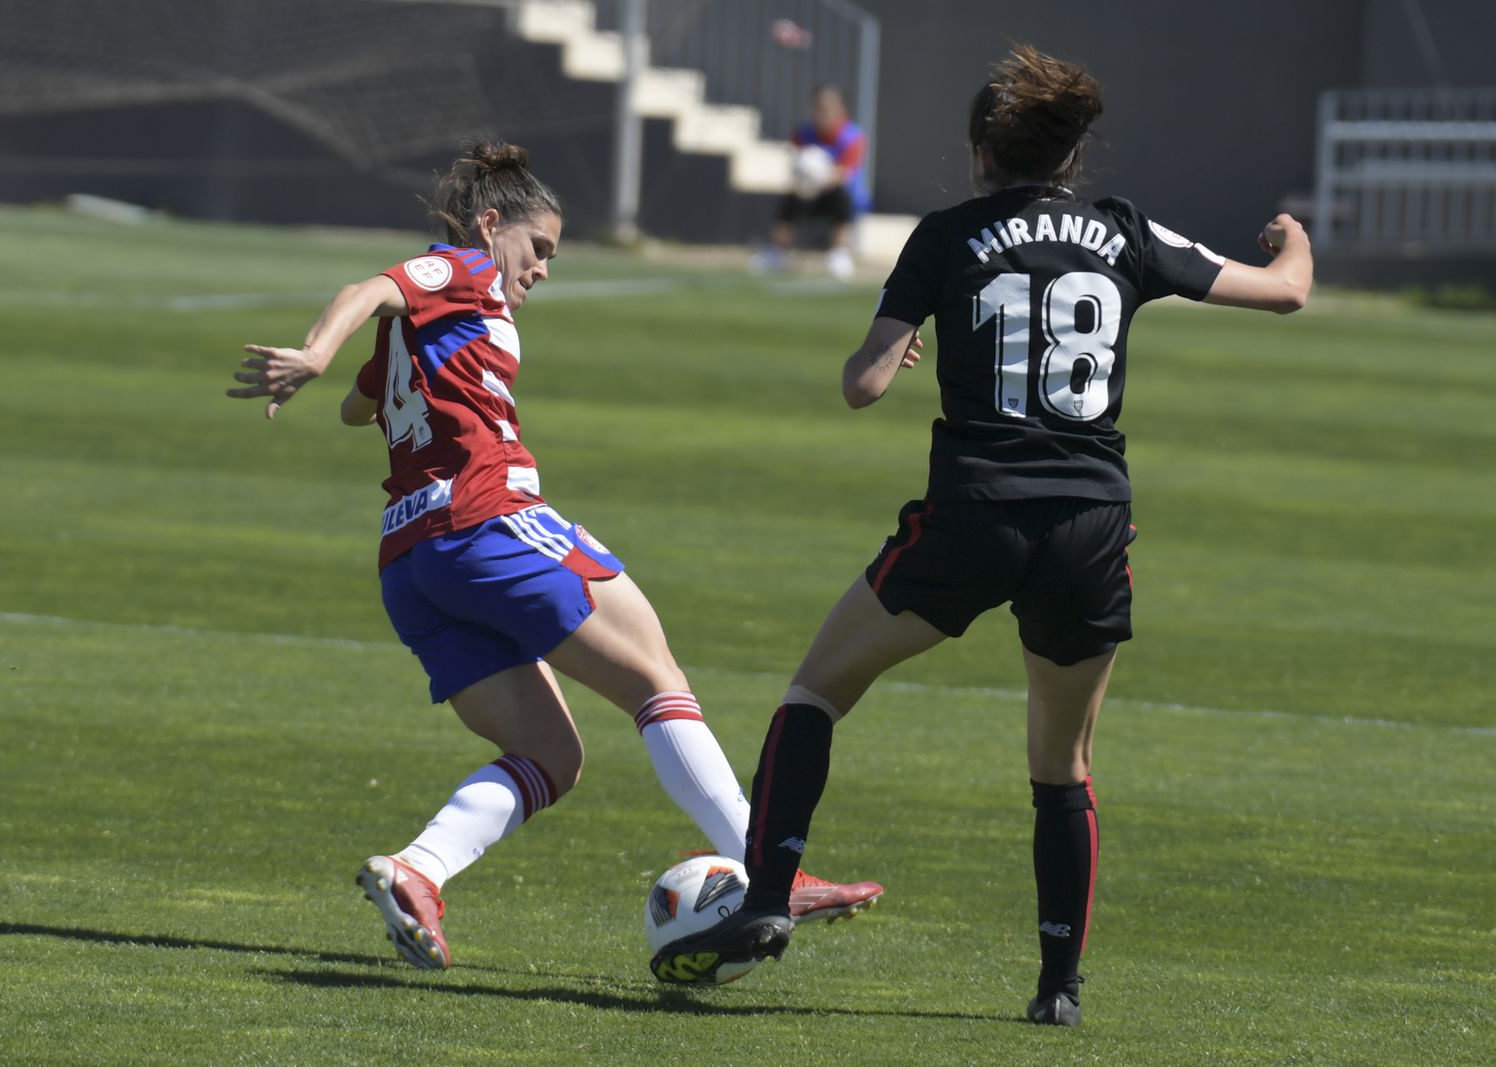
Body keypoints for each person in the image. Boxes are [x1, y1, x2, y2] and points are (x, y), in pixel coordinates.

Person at [651, 45, 1312, 1025]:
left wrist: (899, 344)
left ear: (978, 150)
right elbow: (1284, 289)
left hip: (971, 515)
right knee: (1061, 764)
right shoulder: (1119, 228)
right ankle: (1057, 989)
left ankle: (764, 898)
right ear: (1072, 151)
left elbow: (862, 384)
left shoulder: (944, 235)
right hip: (1087, 523)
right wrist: (1293, 236)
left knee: (815, 691)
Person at [226, 138, 882, 971]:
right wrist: (316, 354)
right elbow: (373, 286)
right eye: (538, 249)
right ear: (492, 224)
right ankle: (769, 873)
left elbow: (365, 410)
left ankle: (418, 871)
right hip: (487, 520)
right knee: (656, 676)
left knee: (551, 755)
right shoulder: (461, 270)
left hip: (411, 561)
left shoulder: (432, 327)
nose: (541, 269)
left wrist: (386, 377)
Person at [752, 83, 870, 280]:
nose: (823, 113)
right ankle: (776, 252)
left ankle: (839, 254)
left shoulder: (852, 136)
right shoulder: (804, 133)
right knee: (791, 199)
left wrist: (820, 175)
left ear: (841, 109)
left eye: (829, 107)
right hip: (808, 192)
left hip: (837, 193)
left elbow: (845, 173)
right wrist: (804, 180)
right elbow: (793, 161)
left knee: (842, 199)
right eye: (819, 107)